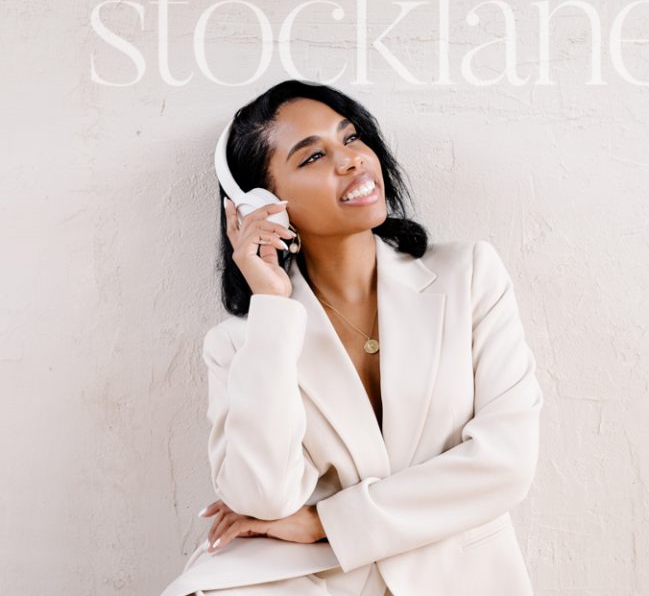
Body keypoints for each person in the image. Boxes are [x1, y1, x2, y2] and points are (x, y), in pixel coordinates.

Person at [158, 79, 543, 596]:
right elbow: (264, 497)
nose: (351, 161)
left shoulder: (470, 276)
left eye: (353, 138)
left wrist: (326, 523)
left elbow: (505, 464)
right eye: (313, 157)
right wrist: (272, 303)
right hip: (318, 579)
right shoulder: (240, 343)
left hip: (452, 571)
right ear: (262, 204)